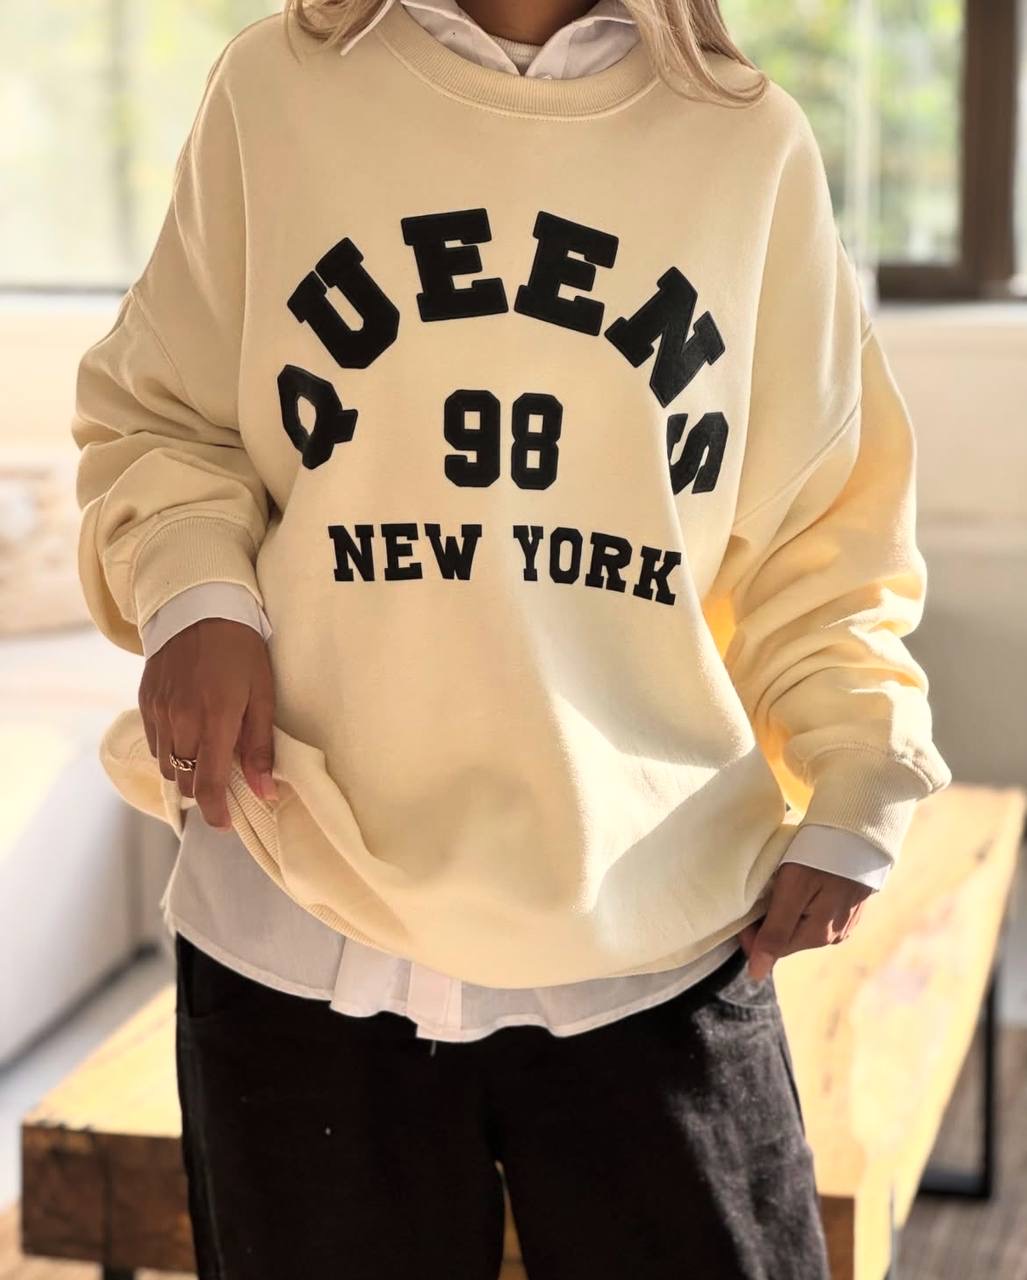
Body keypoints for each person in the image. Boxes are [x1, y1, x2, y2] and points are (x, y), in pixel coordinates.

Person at [70, 1, 953, 1276]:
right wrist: (197, 595)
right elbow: (166, 416)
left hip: (653, 925)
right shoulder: (274, 91)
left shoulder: (747, 146)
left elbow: (819, 535)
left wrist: (861, 775)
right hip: (299, 903)